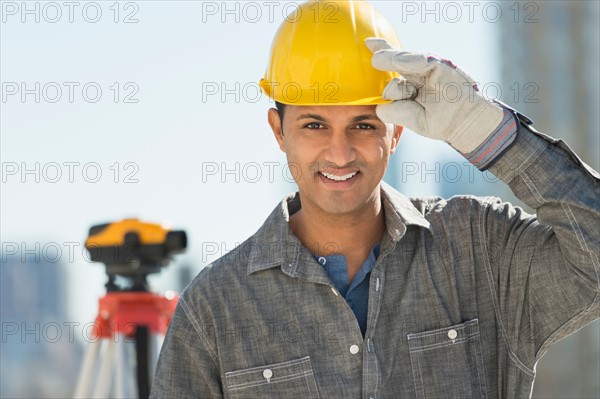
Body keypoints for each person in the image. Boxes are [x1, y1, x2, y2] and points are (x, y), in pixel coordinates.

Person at [150, 1, 599, 397]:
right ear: (277, 131)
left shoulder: (479, 250)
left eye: (363, 125)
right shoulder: (214, 307)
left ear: (396, 131)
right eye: (314, 125)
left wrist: (488, 134)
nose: (340, 152)